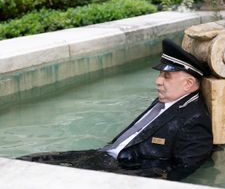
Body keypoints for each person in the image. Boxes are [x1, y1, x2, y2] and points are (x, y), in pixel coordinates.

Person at [17, 39, 213, 181]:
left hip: (120, 171)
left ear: (188, 84)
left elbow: (183, 168)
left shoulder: (194, 119)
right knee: (28, 161)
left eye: (166, 76)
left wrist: (126, 180)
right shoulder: (170, 98)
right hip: (103, 156)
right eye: (160, 75)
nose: (158, 81)